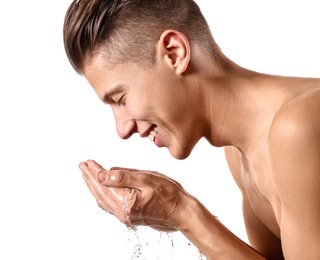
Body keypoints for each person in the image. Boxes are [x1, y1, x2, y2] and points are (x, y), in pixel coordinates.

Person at [63, 0, 320, 259]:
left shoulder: (296, 128)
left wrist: (182, 211)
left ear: (174, 53)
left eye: (120, 99)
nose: (122, 128)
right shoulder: (239, 150)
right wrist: (180, 213)